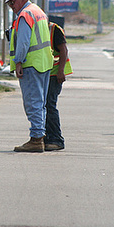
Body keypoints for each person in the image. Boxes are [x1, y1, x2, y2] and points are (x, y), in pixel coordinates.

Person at [5, 0, 53, 153]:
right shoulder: (38, 11)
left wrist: (18, 62)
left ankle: (36, 139)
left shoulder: (25, 15)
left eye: (13, 3)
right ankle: (39, 136)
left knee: (33, 103)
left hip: (31, 64)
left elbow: (24, 42)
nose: (12, 7)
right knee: (40, 103)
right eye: (10, 4)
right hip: (44, 63)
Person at [44, 21, 73, 151]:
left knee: (49, 104)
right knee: (42, 106)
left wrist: (61, 71)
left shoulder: (54, 29)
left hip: (54, 74)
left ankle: (56, 139)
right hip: (41, 74)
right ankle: (45, 137)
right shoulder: (34, 29)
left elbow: (63, 50)